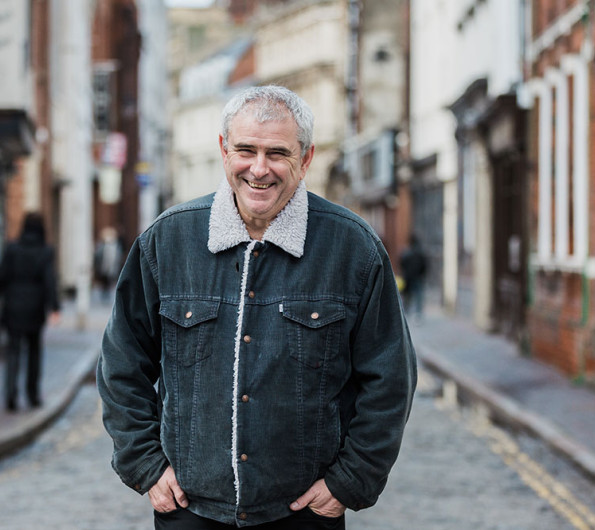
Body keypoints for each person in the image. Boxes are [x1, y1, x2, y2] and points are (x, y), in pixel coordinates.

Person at [97, 85, 417, 529]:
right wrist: (145, 466)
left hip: (302, 512)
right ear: (224, 151)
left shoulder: (353, 248)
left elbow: (391, 380)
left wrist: (350, 481)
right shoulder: (167, 240)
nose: (259, 169)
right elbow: (121, 365)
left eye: (277, 153)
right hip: (191, 510)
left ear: (305, 160)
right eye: (246, 150)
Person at [0, 212, 61, 412]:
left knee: (13, 351)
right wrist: (54, 307)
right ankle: (32, 395)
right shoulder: (45, 251)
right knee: (34, 351)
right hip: (35, 306)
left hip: (13, 304)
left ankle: (10, 395)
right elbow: (50, 281)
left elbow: (1, 277)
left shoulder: (12, 248)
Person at [399, 234, 429, 322]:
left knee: (408, 295)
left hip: (408, 277)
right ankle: (418, 313)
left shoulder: (406, 253)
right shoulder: (421, 253)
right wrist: (422, 274)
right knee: (418, 296)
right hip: (418, 278)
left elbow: (402, 264)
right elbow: (425, 265)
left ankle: (406, 312)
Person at [93, 226, 124, 301]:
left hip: (112, 267)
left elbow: (118, 257)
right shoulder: (101, 245)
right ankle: (104, 295)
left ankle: (108, 295)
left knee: (110, 281)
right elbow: (97, 257)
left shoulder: (116, 246)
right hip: (103, 267)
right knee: (104, 282)